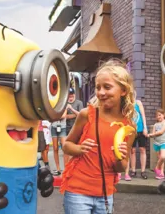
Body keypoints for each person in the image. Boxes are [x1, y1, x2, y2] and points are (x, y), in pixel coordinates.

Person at [60, 59, 135, 214]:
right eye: (98, 87)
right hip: (78, 191)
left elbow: (120, 167)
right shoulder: (87, 114)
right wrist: (80, 149)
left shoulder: (128, 127)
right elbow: (66, 146)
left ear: (123, 90)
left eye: (107, 87)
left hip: (105, 194)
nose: (100, 92)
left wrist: (120, 157)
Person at [148, 108, 165, 179]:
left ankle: (156, 168)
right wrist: (150, 135)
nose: (159, 117)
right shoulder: (155, 125)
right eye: (157, 116)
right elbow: (153, 134)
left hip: (164, 143)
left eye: (160, 115)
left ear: (164, 115)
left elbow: (161, 132)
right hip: (156, 143)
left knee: (163, 157)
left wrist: (151, 134)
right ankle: (160, 173)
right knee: (160, 159)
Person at [51, 110, 67, 175]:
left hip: (62, 127)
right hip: (53, 127)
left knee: (65, 148)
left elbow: (63, 116)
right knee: (55, 148)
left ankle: (66, 169)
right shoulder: (53, 105)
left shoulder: (63, 104)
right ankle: (58, 169)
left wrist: (54, 117)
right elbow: (50, 117)